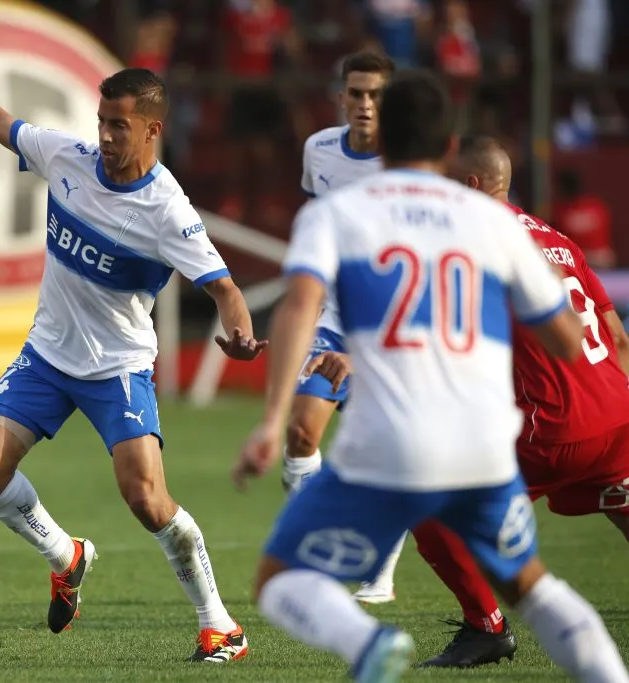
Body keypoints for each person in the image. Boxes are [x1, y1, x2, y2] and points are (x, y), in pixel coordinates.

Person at [0, 13, 266, 662]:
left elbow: (223, 287)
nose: (107, 136)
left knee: (146, 497)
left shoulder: (166, 208)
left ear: (152, 129)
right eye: (102, 122)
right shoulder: (68, 159)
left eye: (120, 126)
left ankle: (220, 621)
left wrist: (239, 328)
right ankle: (65, 554)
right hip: (47, 356)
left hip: (118, 366)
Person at [233, 70, 629, 683]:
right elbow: (568, 339)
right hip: (493, 438)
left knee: (278, 579)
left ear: (381, 143)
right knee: (534, 584)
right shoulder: (495, 225)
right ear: (447, 147)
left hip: (396, 440)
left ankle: (370, 643)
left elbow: (298, 307)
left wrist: (269, 420)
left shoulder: (339, 212)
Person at [408, 135, 629, 668]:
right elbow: (618, 338)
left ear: (470, 185)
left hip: (554, 427)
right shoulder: (556, 238)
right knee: (620, 499)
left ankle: (486, 627)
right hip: (619, 412)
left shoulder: (475, 243)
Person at [289, 50, 404, 605]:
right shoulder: (320, 150)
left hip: (394, 328)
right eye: (356, 93)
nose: (364, 104)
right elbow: (315, 226)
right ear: (341, 96)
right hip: (335, 317)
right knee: (300, 433)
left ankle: (380, 569)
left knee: (389, 448)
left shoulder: (409, 163)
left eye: (376, 95)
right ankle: (322, 549)